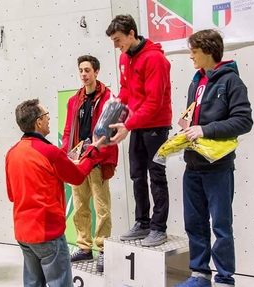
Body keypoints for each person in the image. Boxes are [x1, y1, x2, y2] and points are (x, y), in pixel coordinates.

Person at [173, 29, 253, 287]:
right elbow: (196, 120)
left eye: (194, 51)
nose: (191, 57)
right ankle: (199, 275)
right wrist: (188, 125)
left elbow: (243, 121)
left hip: (218, 167)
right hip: (192, 165)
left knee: (221, 226)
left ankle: (224, 279)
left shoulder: (232, 82)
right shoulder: (195, 81)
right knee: (194, 223)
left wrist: (206, 129)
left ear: (208, 51)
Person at [5, 99, 107, 287]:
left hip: (23, 233)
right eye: (46, 115)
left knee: (33, 284)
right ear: (38, 122)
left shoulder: (12, 153)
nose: (49, 118)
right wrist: (92, 152)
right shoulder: (50, 152)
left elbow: (12, 195)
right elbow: (77, 177)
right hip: (48, 233)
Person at [105, 14, 172, 246]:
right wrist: (114, 106)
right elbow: (126, 90)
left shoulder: (155, 60)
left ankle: (158, 227)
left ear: (131, 34)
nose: (116, 46)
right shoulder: (125, 59)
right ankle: (142, 223)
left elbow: (154, 103)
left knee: (156, 176)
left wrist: (128, 125)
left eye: (118, 40)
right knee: (136, 175)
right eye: (113, 41)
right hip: (136, 125)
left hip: (156, 126)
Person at [61, 55, 118, 273]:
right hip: (78, 161)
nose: (84, 75)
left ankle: (103, 249)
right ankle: (84, 247)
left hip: (98, 160)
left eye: (87, 70)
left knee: (102, 208)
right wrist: (68, 154)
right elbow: (68, 131)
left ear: (96, 72)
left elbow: (111, 134)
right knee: (80, 206)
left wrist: (100, 154)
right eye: (81, 71)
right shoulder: (74, 101)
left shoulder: (108, 99)